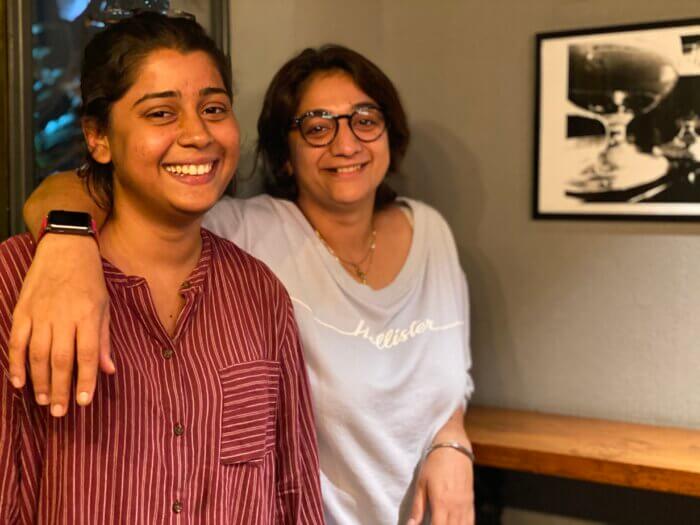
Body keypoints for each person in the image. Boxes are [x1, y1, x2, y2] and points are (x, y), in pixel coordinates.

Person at [12, 43, 474, 524]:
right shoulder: (247, 232)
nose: (346, 143)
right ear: (285, 154)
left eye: (364, 119)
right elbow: (96, 190)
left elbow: (451, 379)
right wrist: (67, 241)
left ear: (388, 131)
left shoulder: (429, 232)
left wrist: (452, 443)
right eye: (317, 126)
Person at [0, 12, 323, 524]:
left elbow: (294, 491)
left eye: (213, 108)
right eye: (160, 114)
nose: (197, 134)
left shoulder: (260, 293)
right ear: (99, 138)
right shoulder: (22, 280)